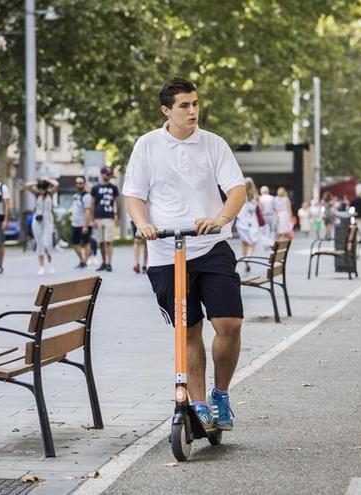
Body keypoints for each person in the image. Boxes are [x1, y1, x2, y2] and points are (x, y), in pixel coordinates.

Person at [123, 77, 246, 431]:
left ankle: (220, 393)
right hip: (166, 251)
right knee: (188, 332)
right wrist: (143, 223)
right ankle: (198, 403)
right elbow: (134, 195)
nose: (192, 111)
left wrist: (221, 218)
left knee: (229, 324)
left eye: (195, 104)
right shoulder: (147, 145)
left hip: (210, 245)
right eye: (184, 106)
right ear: (167, 110)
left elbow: (236, 189)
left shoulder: (214, 144)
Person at [25, 177, 58, 275]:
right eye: (40, 188)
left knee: (47, 243)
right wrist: (37, 182)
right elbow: (27, 186)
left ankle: (50, 264)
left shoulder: (50, 194)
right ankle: (41, 267)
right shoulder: (37, 194)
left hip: (47, 219)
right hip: (37, 220)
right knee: (39, 243)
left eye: (43, 187)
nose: (42, 190)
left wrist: (46, 180)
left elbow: (56, 184)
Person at [91, 166, 120, 272]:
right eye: (107, 174)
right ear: (102, 174)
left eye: (109, 174)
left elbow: (118, 202)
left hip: (109, 217)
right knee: (101, 242)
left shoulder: (113, 187)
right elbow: (92, 204)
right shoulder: (95, 188)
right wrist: (93, 219)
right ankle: (103, 262)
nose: (108, 176)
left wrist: (118, 217)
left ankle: (109, 263)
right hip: (98, 218)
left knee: (109, 241)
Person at [235, 178, 261, 271]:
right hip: (252, 222)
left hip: (241, 222)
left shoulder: (240, 195)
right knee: (252, 243)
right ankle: (248, 259)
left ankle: (245, 258)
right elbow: (262, 209)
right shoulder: (256, 196)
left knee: (244, 242)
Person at [70, 177, 92, 269]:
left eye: (80, 183)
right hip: (75, 223)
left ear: (84, 184)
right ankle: (82, 260)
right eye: (76, 183)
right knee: (75, 244)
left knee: (86, 243)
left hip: (83, 224)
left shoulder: (86, 196)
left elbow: (88, 211)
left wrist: (85, 226)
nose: (78, 185)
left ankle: (84, 262)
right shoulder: (76, 195)